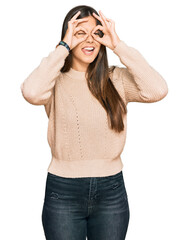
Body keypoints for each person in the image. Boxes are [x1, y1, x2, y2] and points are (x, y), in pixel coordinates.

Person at [20, 5, 168, 240]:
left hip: (111, 191)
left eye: (96, 33)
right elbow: (31, 92)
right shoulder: (53, 81)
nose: (90, 40)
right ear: (67, 37)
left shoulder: (115, 78)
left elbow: (157, 89)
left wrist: (118, 45)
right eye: (80, 33)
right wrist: (63, 47)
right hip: (63, 190)